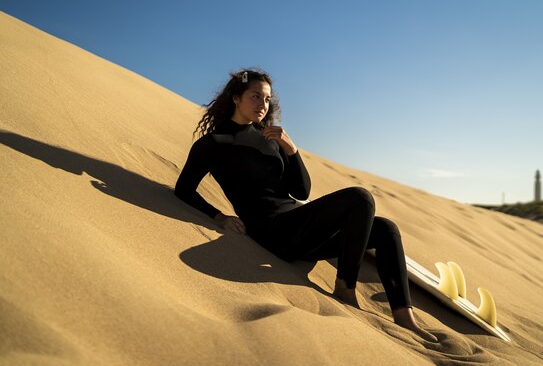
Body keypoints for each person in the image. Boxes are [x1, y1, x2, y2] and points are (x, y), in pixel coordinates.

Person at [175, 69, 433, 339]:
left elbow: (301, 190)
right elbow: (184, 189)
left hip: (301, 229)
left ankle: (404, 315)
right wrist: (219, 216)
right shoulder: (213, 144)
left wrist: (291, 149)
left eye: (266, 99)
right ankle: (345, 287)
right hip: (272, 232)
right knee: (360, 197)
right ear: (236, 98)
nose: (262, 105)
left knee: (385, 229)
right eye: (255, 97)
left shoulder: (269, 138)